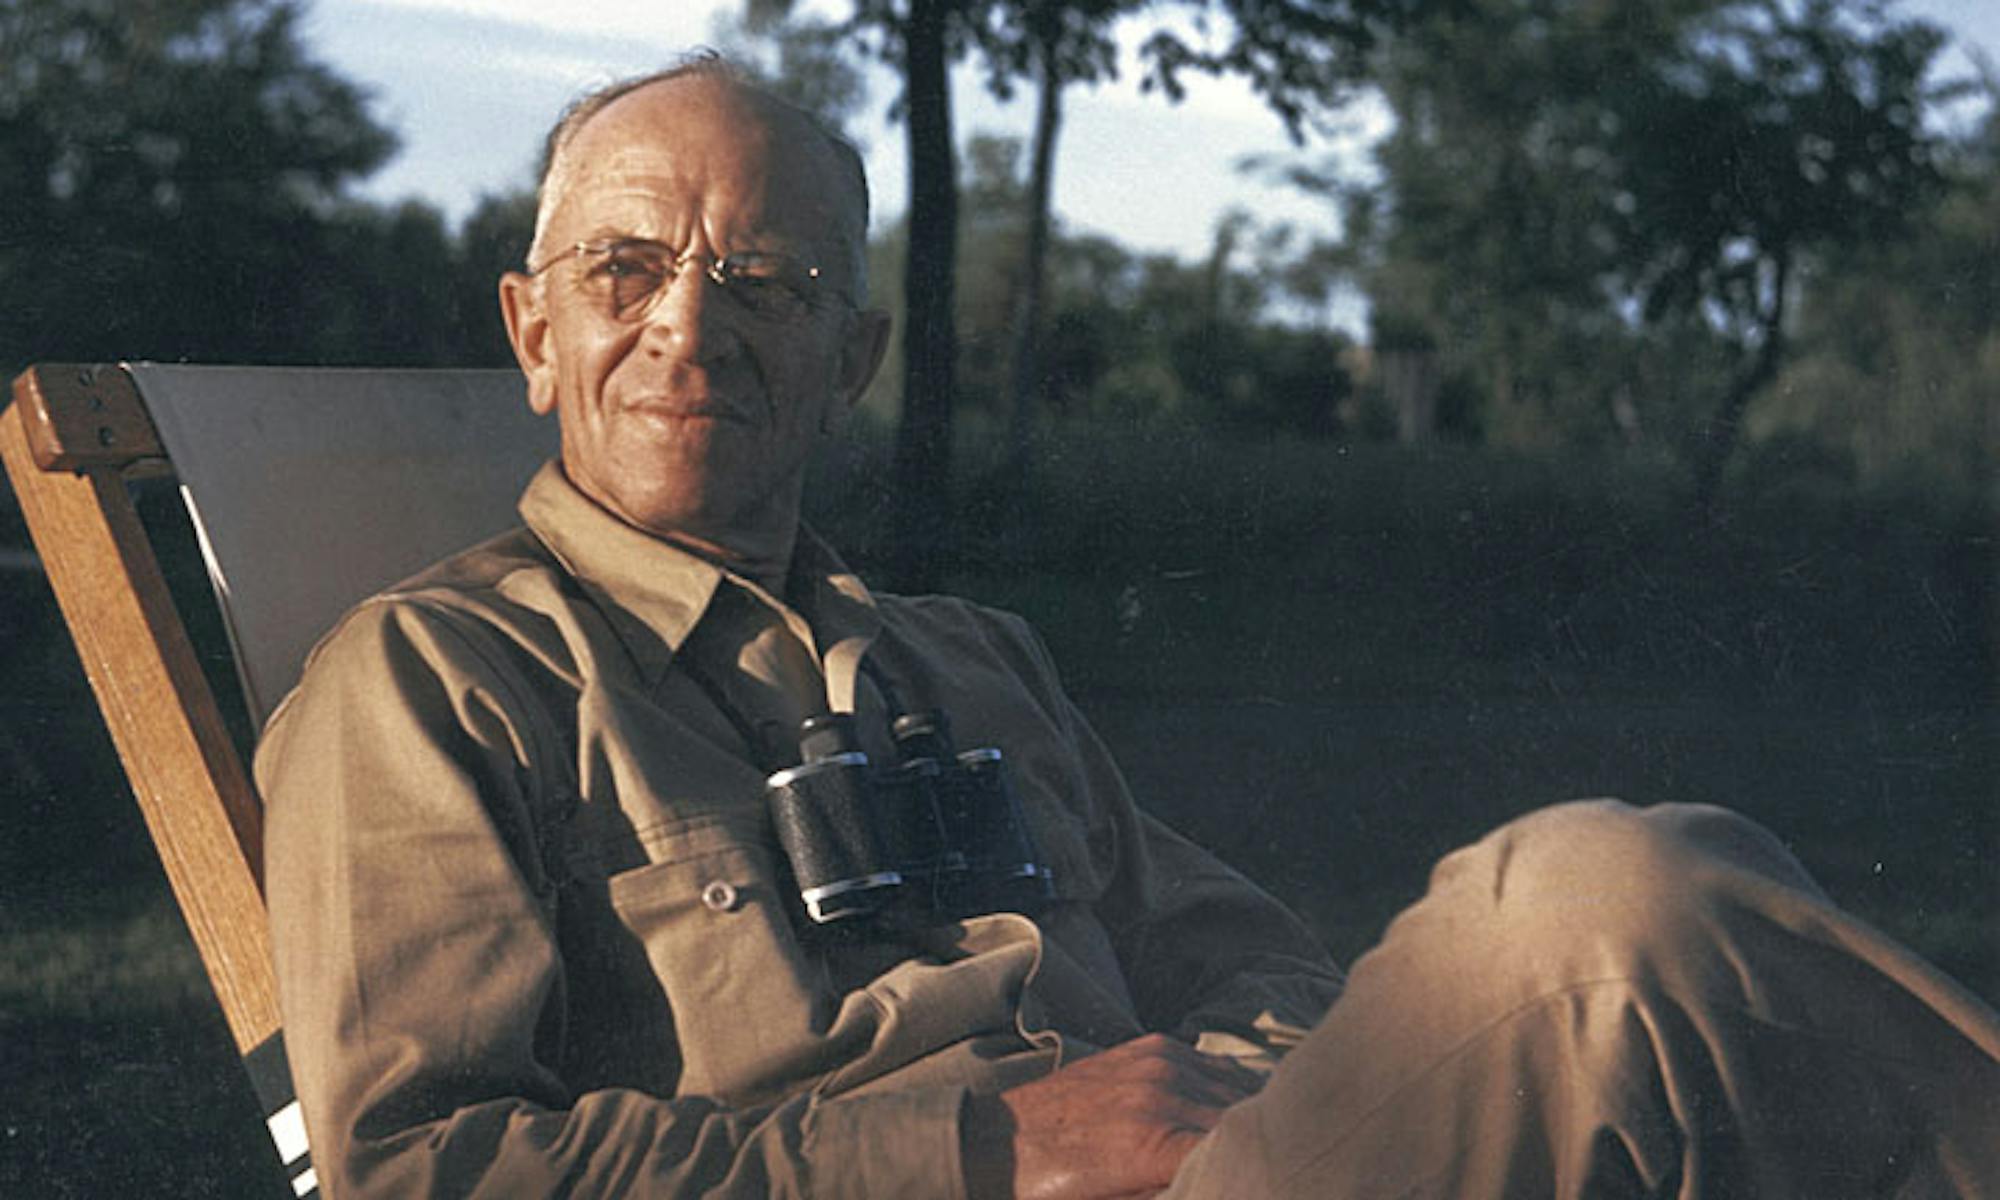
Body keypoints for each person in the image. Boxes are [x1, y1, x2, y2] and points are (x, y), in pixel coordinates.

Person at [259, 56, 2000, 1199]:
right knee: (1612, 918)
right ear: (532, 330)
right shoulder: (432, 683)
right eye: (625, 270)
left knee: (1656, 952)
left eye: (770, 283)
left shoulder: (961, 659)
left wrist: (1206, 1097)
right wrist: (980, 1146)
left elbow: (1259, 968)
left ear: (853, 363)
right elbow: (421, 1168)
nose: (690, 333)